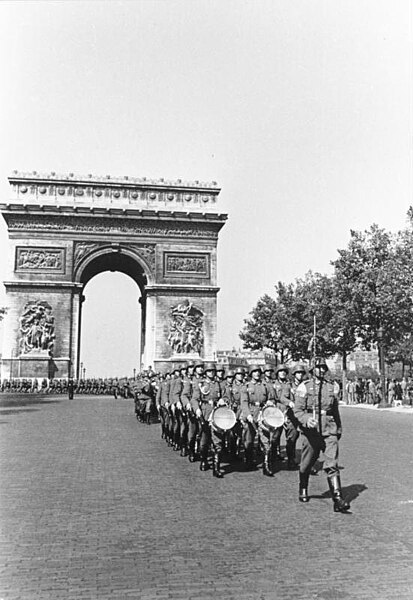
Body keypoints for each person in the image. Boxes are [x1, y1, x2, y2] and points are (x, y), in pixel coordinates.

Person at [294, 357, 350, 513]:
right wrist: (306, 420)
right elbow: (297, 410)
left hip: (328, 429)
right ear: (312, 370)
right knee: (306, 463)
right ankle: (303, 486)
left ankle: (338, 499)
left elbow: (335, 410)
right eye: (318, 367)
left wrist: (338, 428)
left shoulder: (333, 387)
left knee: (332, 463)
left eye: (324, 367)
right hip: (311, 431)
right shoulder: (304, 387)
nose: (321, 370)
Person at [190, 362, 223, 476]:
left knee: (217, 441)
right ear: (205, 373)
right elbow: (194, 399)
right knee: (204, 441)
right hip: (205, 412)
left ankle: (216, 467)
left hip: (216, 413)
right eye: (209, 371)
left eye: (213, 371)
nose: (211, 373)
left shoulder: (218, 384)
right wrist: (197, 410)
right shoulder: (201, 384)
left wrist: (224, 401)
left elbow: (225, 396)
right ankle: (203, 460)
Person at [240, 365, 268, 470]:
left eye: (258, 372)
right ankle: (249, 461)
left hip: (262, 414)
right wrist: (247, 415)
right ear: (251, 374)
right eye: (254, 372)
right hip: (251, 414)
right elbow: (244, 403)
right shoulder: (246, 386)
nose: (257, 373)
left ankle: (266, 464)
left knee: (265, 440)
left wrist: (270, 402)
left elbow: (271, 398)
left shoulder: (265, 385)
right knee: (249, 440)